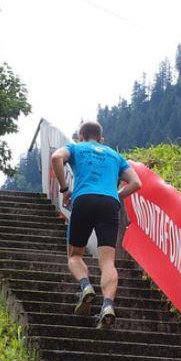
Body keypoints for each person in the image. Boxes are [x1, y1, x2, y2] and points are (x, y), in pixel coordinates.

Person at [51, 121, 142, 329]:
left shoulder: (75, 147)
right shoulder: (115, 155)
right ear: (102, 139)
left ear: (80, 136)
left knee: (74, 255)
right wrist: (116, 196)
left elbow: (56, 157)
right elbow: (137, 183)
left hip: (83, 199)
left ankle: (85, 287)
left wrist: (65, 190)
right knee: (108, 262)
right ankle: (108, 305)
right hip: (109, 204)